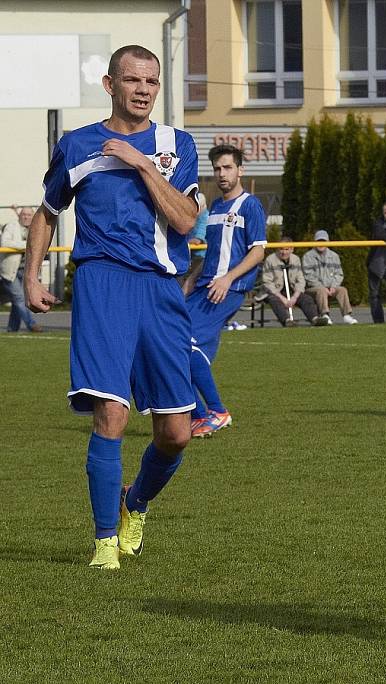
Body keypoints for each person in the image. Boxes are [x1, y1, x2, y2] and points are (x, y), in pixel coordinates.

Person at [24, 45, 200, 571]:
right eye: (133, 80)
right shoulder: (77, 144)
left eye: (152, 81)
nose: (143, 90)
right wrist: (31, 275)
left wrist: (142, 165)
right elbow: (48, 211)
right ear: (110, 84)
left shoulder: (176, 144)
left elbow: (187, 220)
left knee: (176, 433)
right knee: (112, 412)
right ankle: (105, 541)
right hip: (101, 284)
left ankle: (135, 503)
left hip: (161, 288)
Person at [186, 143, 267, 439]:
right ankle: (198, 417)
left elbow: (257, 252)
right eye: (217, 168)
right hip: (206, 285)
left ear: (240, 170)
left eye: (228, 167)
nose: (222, 173)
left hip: (228, 288)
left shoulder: (250, 205)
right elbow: (212, 252)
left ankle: (216, 412)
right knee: (174, 347)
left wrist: (227, 279)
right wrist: (193, 278)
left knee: (183, 344)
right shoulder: (216, 207)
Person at [257, 236, 326, 327]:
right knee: (274, 300)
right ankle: (287, 321)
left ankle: (314, 318)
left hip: (292, 291)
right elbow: (267, 282)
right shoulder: (270, 260)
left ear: (292, 249)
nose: (284, 252)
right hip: (274, 292)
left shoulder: (295, 259)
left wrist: (295, 297)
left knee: (306, 298)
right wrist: (283, 298)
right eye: (281, 249)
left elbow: (300, 280)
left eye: (286, 249)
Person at [302, 229, 358, 325]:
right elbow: (308, 276)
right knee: (321, 290)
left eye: (323, 241)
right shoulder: (307, 256)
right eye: (318, 241)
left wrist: (333, 286)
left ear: (328, 242)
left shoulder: (334, 256)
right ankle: (325, 315)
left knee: (342, 290)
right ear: (314, 242)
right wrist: (322, 286)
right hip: (313, 288)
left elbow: (339, 274)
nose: (321, 244)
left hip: (331, 287)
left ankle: (346, 315)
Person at [1, 206, 43, 333]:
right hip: (10, 271)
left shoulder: (35, 227)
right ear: (19, 215)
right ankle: (32, 325)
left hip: (26, 271)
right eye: (24, 214)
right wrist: (26, 245)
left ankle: (12, 328)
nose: (26, 217)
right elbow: (5, 243)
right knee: (19, 298)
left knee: (17, 301)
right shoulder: (11, 227)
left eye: (29, 215)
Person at [180, 190, 208, 294]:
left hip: (201, 255)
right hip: (192, 253)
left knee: (192, 278)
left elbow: (199, 235)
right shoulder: (193, 216)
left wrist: (194, 239)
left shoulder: (204, 217)